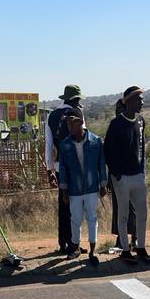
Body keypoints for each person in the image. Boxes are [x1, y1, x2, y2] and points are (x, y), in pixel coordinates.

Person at [103, 86, 150, 266]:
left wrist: (142, 171)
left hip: (138, 176)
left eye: (142, 99)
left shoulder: (141, 121)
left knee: (142, 214)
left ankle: (141, 247)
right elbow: (107, 152)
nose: (142, 102)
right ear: (128, 101)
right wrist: (117, 175)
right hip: (122, 178)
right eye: (138, 99)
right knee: (123, 215)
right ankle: (125, 250)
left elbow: (141, 148)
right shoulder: (116, 124)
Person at [57, 108, 108, 267]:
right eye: (67, 123)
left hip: (92, 188)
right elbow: (63, 168)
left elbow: (101, 164)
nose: (68, 127)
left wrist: (103, 184)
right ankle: (76, 247)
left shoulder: (95, 141)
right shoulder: (65, 145)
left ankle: (93, 250)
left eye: (70, 123)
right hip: (74, 190)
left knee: (92, 218)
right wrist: (64, 190)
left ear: (79, 122)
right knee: (75, 219)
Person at [45, 85, 83, 254]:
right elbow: (84, 140)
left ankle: (62, 243)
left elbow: (48, 145)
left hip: (60, 167)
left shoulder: (51, 116)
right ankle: (74, 242)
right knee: (76, 206)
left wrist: (49, 170)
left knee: (63, 204)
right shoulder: (78, 114)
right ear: (75, 99)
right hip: (76, 166)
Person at [109, 99, 137, 252]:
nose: (119, 112)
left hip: (133, 174)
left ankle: (135, 238)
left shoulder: (135, 125)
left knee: (134, 208)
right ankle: (121, 239)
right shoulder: (114, 126)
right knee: (120, 208)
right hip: (117, 176)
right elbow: (109, 153)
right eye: (117, 109)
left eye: (121, 108)